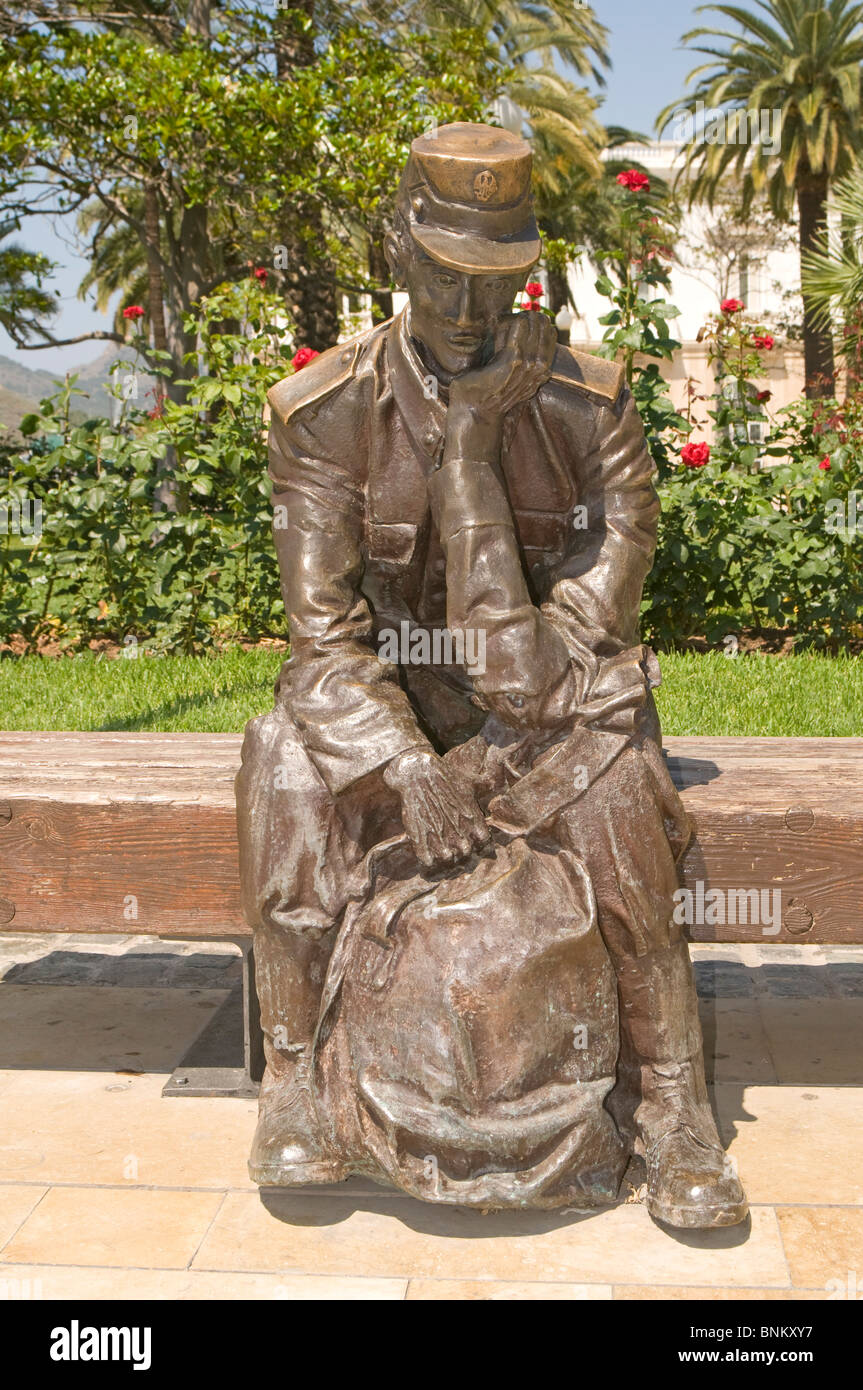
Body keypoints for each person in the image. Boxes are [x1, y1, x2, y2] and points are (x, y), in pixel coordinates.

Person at [235, 122, 747, 1228]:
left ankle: (670, 1104)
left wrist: (466, 453)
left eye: (498, 283)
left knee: (616, 789)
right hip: (385, 717)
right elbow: (322, 638)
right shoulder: (323, 417)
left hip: (548, 719)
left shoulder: (591, 411)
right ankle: (290, 1079)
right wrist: (404, 760)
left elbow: (533, 672)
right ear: (398, 251)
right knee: (280, 761)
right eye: (446, 278)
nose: (469, 313)